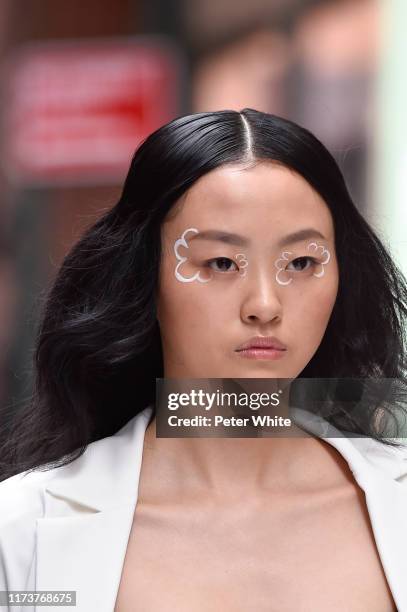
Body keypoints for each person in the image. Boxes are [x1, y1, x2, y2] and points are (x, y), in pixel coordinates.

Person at [1, 109, 407, 611]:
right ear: (145, 276)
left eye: (301, 263)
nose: (265, 304)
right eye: (219, 263)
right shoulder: (19, 532)